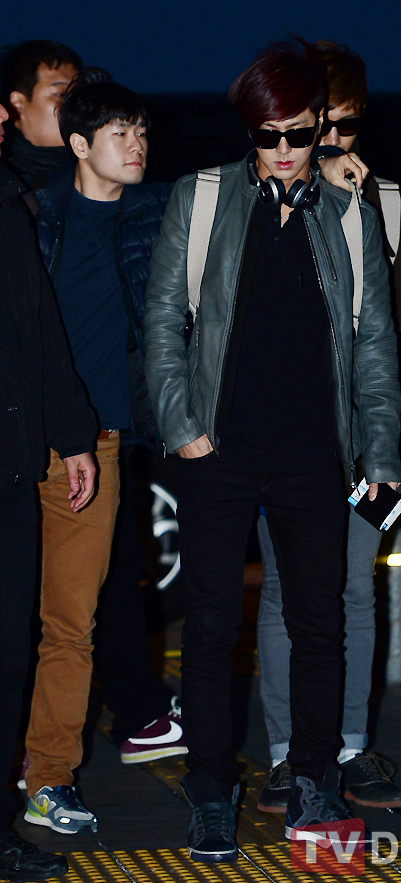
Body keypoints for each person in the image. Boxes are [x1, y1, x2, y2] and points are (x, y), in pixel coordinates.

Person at [144, 39, 401, 864]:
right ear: (248, 129)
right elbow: (163, 320)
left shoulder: (350, 212)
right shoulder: (201, 196)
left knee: (320, 621)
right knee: (212, 624)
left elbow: (375, 342)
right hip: (217, 450)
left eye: (299, 132)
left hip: (314, 454)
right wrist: (182, 426)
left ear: (321, 123)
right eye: (269, 134)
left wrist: (379, 453)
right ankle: (211, 790)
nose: (285, 150)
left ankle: (316, 782)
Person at [2, 42, 184, 775]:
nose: (136, 144)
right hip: (24, 437)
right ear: (81, 144)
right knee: (19, 620)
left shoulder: (157, 212)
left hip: (101, 442)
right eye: (120, 132)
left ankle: (47, 773)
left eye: (141, 132)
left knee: (71, 621)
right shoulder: (33, 213)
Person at [256, 39, 401, 814]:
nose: (328, 141)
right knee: (286, 592)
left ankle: (350, 747)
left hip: (358, 434)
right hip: (280, 427)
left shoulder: (386, 199)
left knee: (355, 589)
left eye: (345, 126)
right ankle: (288, 754)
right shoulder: (260, 194)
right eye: (316, 124)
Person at [0, 98, 96, 881]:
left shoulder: (7, 202)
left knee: (9, 652)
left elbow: (40, 326)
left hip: (10, 464)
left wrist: (71, 435)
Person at [1, 40, 83, 185]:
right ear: (18, 102)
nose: (76, 105)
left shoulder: (106, 175)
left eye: (78, 95)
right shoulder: (5, 180)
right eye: (60, 94)